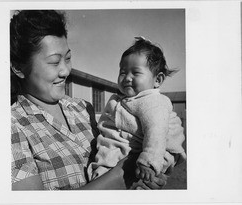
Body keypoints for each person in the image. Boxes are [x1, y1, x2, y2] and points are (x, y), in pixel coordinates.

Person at [10, 10, 169, 190]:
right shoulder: (11, 126)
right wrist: (123, 174)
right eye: (54, 62)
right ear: (18, 67)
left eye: (68, 58)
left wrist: (149, 174)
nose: (65, 71)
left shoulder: (82, 108)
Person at [87, 37, 187, 183]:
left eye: (136, 73)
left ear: (157, 80)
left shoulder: (153, 101)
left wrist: (148, 161)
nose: (127, 78)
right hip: (118, 153)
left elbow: (157, 132)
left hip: (147, 155)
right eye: (123, 72)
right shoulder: (123, 99)